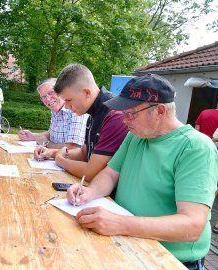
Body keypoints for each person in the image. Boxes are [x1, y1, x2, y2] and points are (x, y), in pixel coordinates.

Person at [66, 74, 218, 269]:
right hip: (131, 243)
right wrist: (89, 192)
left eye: (131, 114)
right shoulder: (136, 136)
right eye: (123, 113)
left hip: (170, 259)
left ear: (160, 111)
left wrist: (120, 223)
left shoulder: (196, 147)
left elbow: (191, 226)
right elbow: (111, 173)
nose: (124, 120)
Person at [34, 64, 128, 181]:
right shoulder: (92, 112)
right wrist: (51, 152)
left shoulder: (114, 116)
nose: (67, 107)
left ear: (86, 93)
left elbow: (91, 173)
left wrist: (61, 160)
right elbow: (84, 153)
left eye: (68, 100)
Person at [19, 78, 87, 149]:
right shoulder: (55, 111)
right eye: (44, 97)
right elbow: (51, 133)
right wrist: (32, 136)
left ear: (60, 90)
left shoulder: (76, 111)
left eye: (51, 92)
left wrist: (46, 144)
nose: (48, 99)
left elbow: (72, 148)